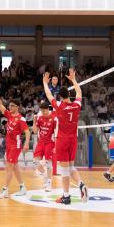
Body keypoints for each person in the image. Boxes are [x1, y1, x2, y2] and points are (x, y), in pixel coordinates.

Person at [43, 69, 88, 205]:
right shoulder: (76, 105)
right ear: (69, 95)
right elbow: (79, 92)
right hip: (73, 139)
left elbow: (49, 94)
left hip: (62, 140)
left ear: (60, 97)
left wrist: (45, 83)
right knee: (70, 167)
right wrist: (73, 79)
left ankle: (66, 196)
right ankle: (80, 184)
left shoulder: (59, 106)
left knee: (64, 169)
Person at [0, 83, 31, 199]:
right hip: (9, 144)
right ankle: (22, 187)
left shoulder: (21, 119)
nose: (10, 107)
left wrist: (27, 143)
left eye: (12, 106)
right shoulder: (9, 115)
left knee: (9, 166)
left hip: (16, 145)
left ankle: (5, 190)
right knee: (14, 167)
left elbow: (27, 132)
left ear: (17, 107)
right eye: (9, 105)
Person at [32, 102, 56, 192]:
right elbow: (35, 131)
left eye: (44, 111)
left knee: (48, 163)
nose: (43, 113)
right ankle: (45, 176)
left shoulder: (53, 119)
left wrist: (56, 146)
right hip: (41, 142)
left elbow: (56, 132)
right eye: (41, 111)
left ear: (48, 109)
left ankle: (49, 184)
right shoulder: (40, 118)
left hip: (50, 143)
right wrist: (34, 121)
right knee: (35, 162)